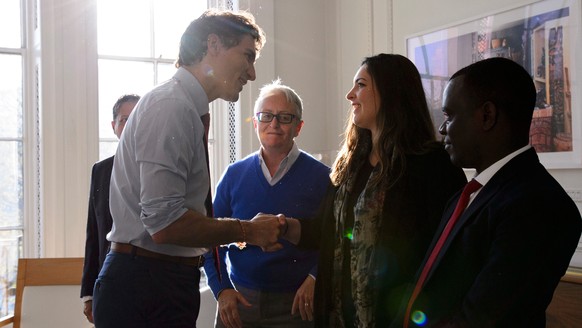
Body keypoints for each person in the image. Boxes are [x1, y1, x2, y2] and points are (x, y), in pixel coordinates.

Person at [92, 9, 284, 328]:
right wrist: (248, 231)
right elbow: (165, 224)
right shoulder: (171, 108)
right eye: (247, 56)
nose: (251, 73)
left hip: (163, 282)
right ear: (214, 45)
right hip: (144, 287)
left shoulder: (186, 109)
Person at [279, 54, 467, 327]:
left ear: (392, 92)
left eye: (361, 85)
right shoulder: (351, 163)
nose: (350, 95)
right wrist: (284, 227)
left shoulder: (434, 164)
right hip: (340, 318)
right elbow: (328, 231)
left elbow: (448, 256)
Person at [399, 57, 582, 327]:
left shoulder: (538, 204)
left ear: (487, 115)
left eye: (449, 116)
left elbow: (482, 319)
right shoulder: (467, 195)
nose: (441, 129)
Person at [203, 80, 330, 328]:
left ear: (298, 127)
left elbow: (337, 238)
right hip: (240, 302)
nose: (274, 124)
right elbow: (210, 238)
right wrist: (222, 290)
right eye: (266, 116)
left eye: (284, 117)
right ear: (255, 122)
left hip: (298, 305)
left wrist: (317, 276)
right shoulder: (233, 175)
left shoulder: (324, 178)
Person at [80, 94, 140, 323]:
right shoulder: (101, 171)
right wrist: (88, 292)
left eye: (137, 118)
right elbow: (93, 232)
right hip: (111, 282)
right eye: (125, 119)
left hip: (155, 281)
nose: (131, 124)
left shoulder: (161, 168)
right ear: (114, 126)